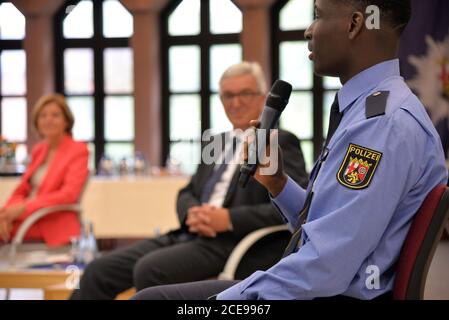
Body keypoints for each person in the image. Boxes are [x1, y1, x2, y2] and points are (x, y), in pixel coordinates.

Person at [132, 0, 448, 300]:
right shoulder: (365, 111)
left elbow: (326, 266)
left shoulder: (382, 124)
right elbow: (327, 229)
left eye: (319, 15)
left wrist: (228, 299)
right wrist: (279, 185)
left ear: (354, 24)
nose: (309, 30)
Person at [69, 62, 309, 300]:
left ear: (262, 97)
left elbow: (295, 206)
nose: (236, 102)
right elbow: (187, 191)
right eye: (228, 95)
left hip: (233, 241)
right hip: (189, 234)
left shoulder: (279, 141)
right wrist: (192, 212)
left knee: (150, 269)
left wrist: (228, 220)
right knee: (97, 270)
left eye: (245, 93)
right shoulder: (216, 142)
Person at [0, 93, 89, 247]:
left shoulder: (78, 150)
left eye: (55, 115)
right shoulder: (39, 150)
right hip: (29, 217)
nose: (48, 120)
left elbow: (68, 194)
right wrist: (6, 213)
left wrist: (24, 208)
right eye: (43, 116)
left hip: (52, 219)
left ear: (66, 121)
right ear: (37, 122)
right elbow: (22, 189)